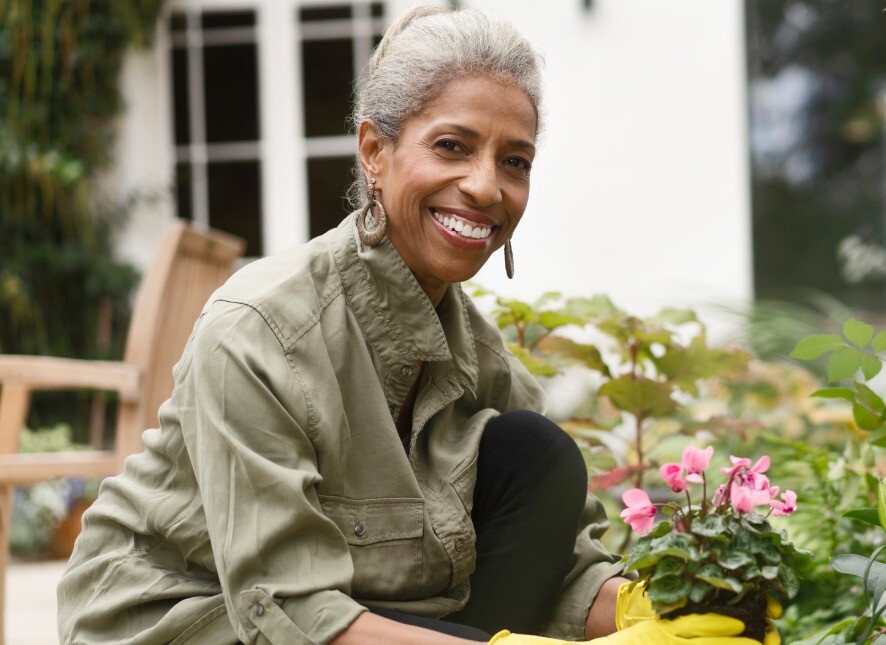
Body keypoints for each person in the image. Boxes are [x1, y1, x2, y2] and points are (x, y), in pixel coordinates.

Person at [57, 6, 765, 644]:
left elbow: (567, 575)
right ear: (374, 152)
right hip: (185, 615)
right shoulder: (262, 331)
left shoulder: (478, 356)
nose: (488, 186)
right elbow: (291, 614)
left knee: (535, 453)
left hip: (353, 613)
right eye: (453, 146)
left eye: (513, 161)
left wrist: (668, 609)